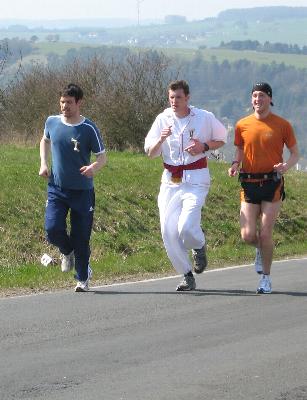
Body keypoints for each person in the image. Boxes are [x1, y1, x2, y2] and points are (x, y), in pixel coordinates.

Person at [145, 79, 227, 291]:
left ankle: (198, 246)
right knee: (168, 231)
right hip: (170, 181)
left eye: (178, 97)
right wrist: (161, 140)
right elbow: (150, 153)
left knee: (186, 226)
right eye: (171, 97)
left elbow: (222, 138)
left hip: (196, 179)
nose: (174, 101)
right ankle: (186, 274)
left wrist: (204, 146)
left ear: (187, 98)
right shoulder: (162, 119)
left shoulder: (203, 117)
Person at [228, 82, 299, 294]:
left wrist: (285, 166)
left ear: (269, 98)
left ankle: (265, 279)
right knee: (248, 236)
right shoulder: (242, 124)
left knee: (266, 233)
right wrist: (234, 165)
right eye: (254, 96)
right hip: (249, 183)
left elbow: (295, 153)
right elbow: (240, 150)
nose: (257, 100)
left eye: (261, 96)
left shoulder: (282, 125)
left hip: (272, 183)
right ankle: (260, 249)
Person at [39, 83, 106, 292]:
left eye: (69, 102)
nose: (64, 106)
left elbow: (102, 157)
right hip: (57, 188)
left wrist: (93, 168)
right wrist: (43, 163)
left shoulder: (88, 128)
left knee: (81, 236)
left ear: (79, 103)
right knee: (52, 229)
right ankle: (67, 252)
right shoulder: (52, 122)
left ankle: (82, 279)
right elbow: (45, 140)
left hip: (82, 192)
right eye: (62, 102)